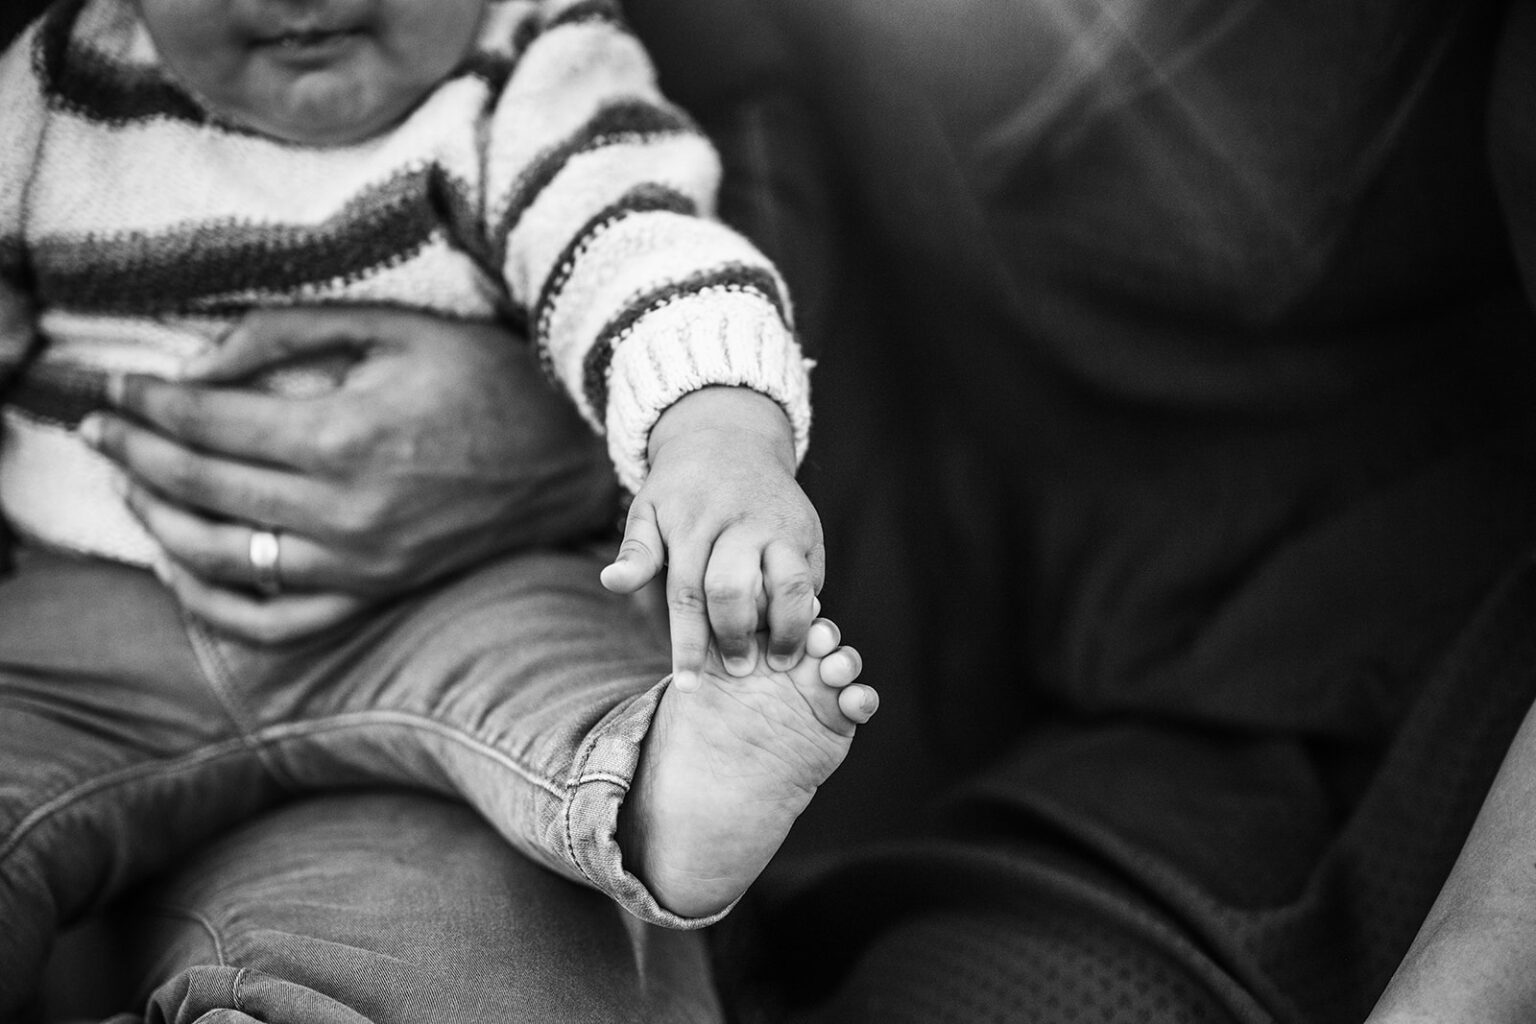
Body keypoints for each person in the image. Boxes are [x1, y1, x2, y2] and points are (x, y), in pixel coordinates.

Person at [0, 0, 878, 1016]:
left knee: (566, 681)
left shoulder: (530, 69)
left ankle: (663, 789)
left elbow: (639, 246)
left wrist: (719, 444)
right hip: (92, 619)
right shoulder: (53, 86)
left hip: (450, 599)